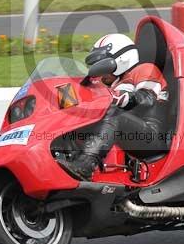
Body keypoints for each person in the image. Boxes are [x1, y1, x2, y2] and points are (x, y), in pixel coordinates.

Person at [58, 34, 169, 181]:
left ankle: (86, 165)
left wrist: (117, 98)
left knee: (114, 113)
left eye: (102, 64)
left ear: (122, 59)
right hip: (129, 134)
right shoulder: (112, 84)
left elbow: (147, 100)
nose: (100, 72)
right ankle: (63, 160)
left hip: (151, 136)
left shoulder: (145, 69)